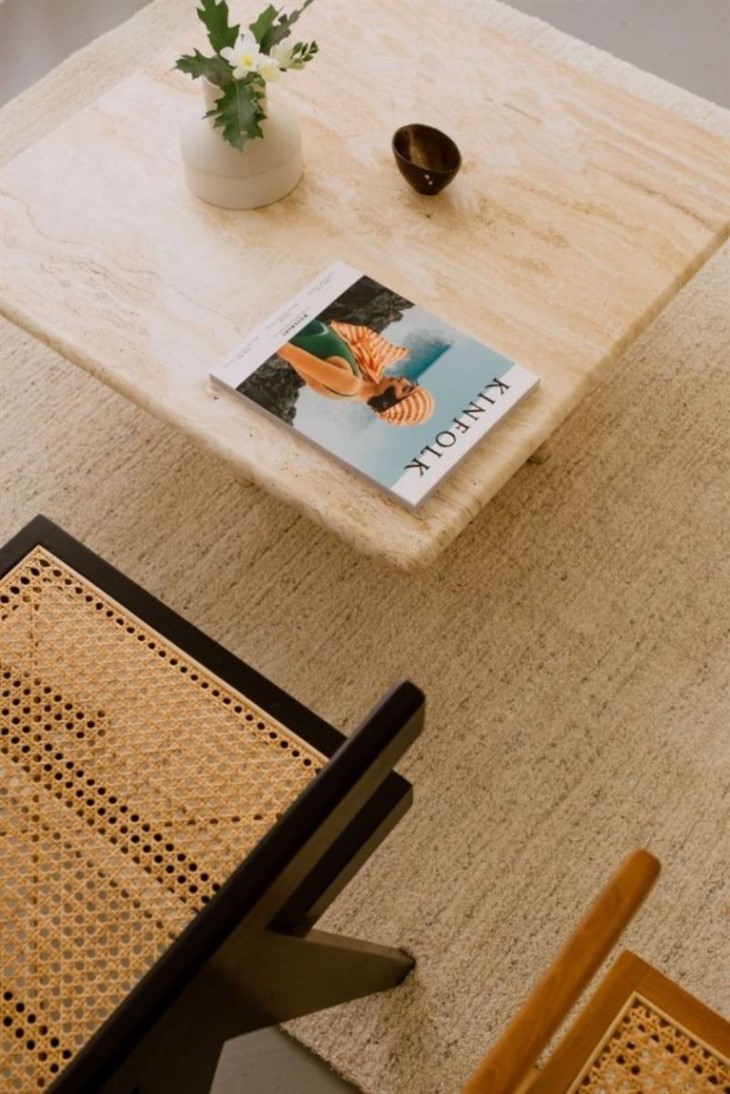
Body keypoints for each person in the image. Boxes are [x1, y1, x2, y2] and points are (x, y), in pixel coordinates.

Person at [275, 319, 435, 427]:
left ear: (388, 404)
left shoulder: (349, 386)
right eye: (410, 384)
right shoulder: (361, 377)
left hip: (279, 318)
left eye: (406, 389)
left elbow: (284, 349)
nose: (403, 380)